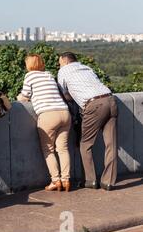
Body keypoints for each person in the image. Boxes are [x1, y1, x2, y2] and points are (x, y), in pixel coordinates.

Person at [57, 52, 117, 191]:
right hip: (111, 99)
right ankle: (108, 182)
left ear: (65, 61)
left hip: (94, 105)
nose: (59, 65)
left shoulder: (63, 71)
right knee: (111, 144)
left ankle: (90, 180)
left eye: (59, 62)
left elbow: (64, 94)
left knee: (85, 144)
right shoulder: (87, 68)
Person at [17, 54, 72, 192]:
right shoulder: (48, 74)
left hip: (48, 115)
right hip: (65, 113)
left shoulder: (30, 76)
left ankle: (55, 181)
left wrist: (18, 97)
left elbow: (25, 96)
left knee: (49, 150)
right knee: (63, 149)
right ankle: (66, 180)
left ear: (29, 65)